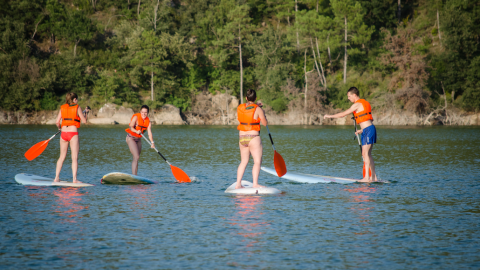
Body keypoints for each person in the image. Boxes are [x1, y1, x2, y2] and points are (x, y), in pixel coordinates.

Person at [324, 87, 377, 182]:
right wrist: (361, 130)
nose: (348, 98)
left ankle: (367, 178)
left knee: (365, 154)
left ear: (354, 95)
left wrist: (329, 116)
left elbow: (342, 114)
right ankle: (373, 177)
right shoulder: (365, 103)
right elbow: (367, 120)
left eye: (349, 96)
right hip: (368, 129)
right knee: (367, 154)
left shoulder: (357, 104)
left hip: (368, 130)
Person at [236, 89, 268, 189]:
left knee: (244, 161)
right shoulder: (258, 109)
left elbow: (248, 109)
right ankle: (255, 184)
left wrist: (256, 106)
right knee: (257, 162)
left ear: (246, 98)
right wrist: (262, 112)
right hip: (253, 137)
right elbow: (265, 123)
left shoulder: (240, 107)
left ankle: (238, 184)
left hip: (242, 138)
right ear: (255, 98)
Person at [54, 92, 87, 183]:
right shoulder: (77, 107)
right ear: (75, 99)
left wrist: (60, 128)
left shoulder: (62, 107)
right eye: (77, 99)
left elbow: (57, 122)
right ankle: (74, 179)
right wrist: (86, 113)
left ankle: (56, 178)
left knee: (62, 157)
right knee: (74, 157)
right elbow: (84, 121)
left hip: (63, 134)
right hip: (73, 134)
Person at [125, 105, 155, 175]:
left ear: (148, 113)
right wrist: (136, 131)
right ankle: (134, 176)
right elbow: (130, 127)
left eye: (145, 112)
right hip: (131, 138)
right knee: (136, 156)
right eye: (142, 112)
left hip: (138, 140)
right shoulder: (136, 117)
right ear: (140, 112)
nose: (144, 114)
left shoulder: (148, 122)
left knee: (137, 158)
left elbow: (149, 133)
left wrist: (152, 143)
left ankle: (135, 175)